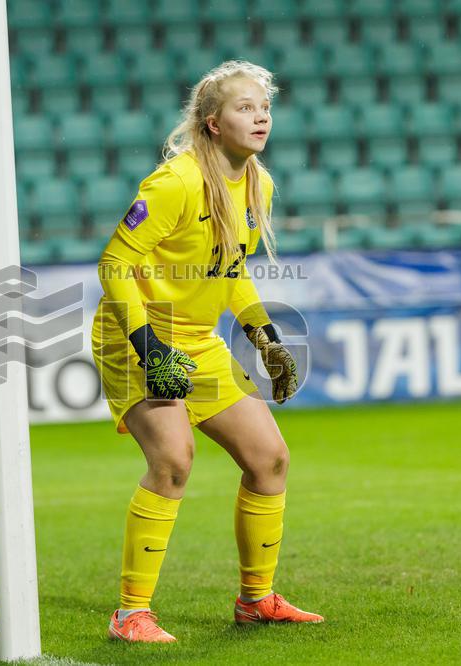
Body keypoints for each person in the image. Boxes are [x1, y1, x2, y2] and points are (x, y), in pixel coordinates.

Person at [93, 61, 323, 643]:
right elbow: (114, 265)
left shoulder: (258, 184)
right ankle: (130, 615)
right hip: (135, 335)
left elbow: (231, 269)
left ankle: (257, 600)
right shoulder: (175, 182)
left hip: (199, 342)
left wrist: (262, 335)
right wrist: (148, 347)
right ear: (213, 123)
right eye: (245, 107)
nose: (261, 114)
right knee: (173, 459)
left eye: (264, 106)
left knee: (270, 458)